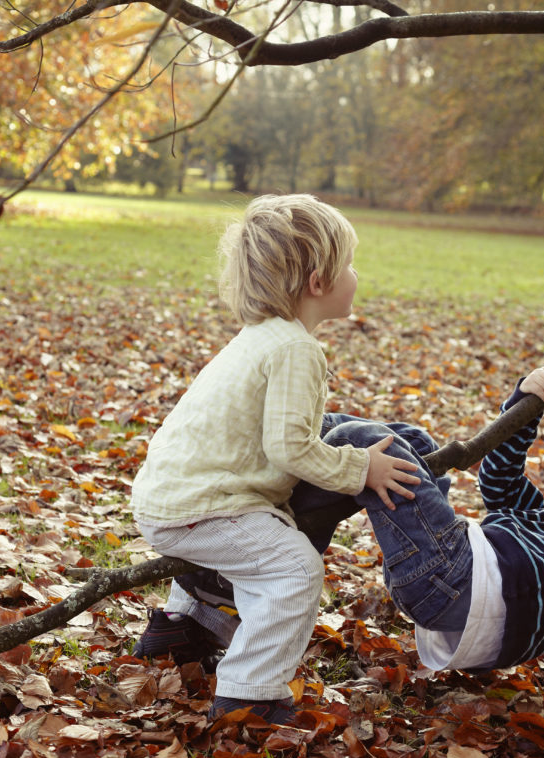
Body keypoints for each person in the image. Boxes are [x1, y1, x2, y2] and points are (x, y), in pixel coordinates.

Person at [144, 305, 544, 679]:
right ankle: (212, 599)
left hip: (460, 584)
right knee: (408, 443)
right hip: (460, 597)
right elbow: (498, 483)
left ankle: (230, 560)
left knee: (355, 441)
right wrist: (524, 409)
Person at [128, 193, 421, 724]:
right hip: (204, 503)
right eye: (349, 264)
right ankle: (250, 693)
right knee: (293, 568)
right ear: (317, 282)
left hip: (175, 495)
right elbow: (290, 448)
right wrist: (361, 469)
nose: (356, 275)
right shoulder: (295, 348)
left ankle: (180, 624)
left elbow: (276, 442)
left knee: (265, 538)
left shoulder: (263, 338)